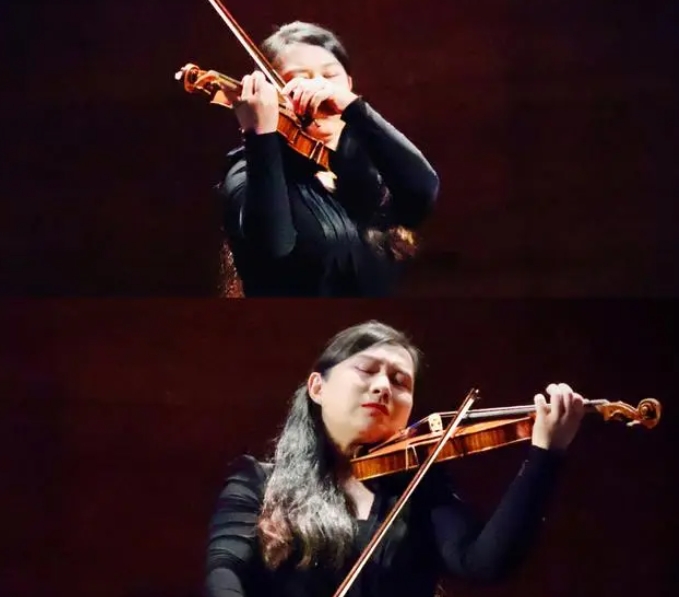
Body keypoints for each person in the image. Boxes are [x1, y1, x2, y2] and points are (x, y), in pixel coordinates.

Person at [205, 321, 586, 597]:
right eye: (367, 370)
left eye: (400, 382)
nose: (383, 387)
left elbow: (484, 563)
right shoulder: (257, 482)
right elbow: (225, 570)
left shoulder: (422, 488)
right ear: (318, 388)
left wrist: (545, 455)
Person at [213, 22, 440, 297]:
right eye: (297, 79)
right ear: (270, 95)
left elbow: (420, 195)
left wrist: (355, 109)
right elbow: (271, 246)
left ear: (349, 85)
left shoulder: (365, 162)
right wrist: (260, 136)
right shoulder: (247, 170)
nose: (316, 89)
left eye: (329, 76)